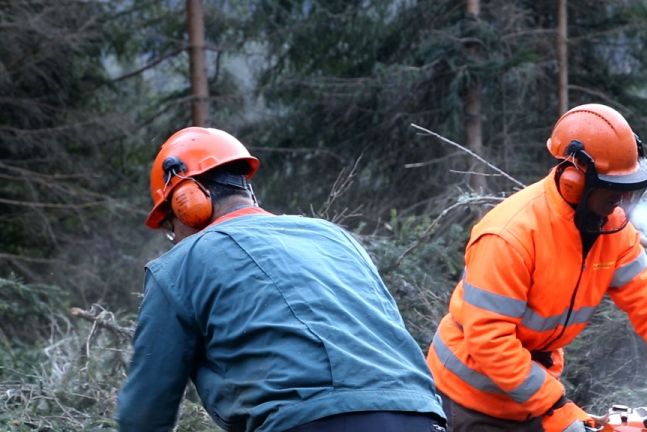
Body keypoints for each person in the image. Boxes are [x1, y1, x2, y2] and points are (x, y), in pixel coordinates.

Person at [117, 127, 446, 432]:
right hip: (419, 414)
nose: (174, 238)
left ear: (186, 202)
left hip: (307, 422)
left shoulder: (179, 266)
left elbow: (145, 414)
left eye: (170, 227)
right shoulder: (333, 236)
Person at [426, 104, 647, 432]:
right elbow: (489, 339)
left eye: (627, 191)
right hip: (469, 399)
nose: (619, 204)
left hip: (532, 394)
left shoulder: (611, 228)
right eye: (611, 193)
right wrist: (556, 407)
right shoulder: (510, 235)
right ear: (573, 180)